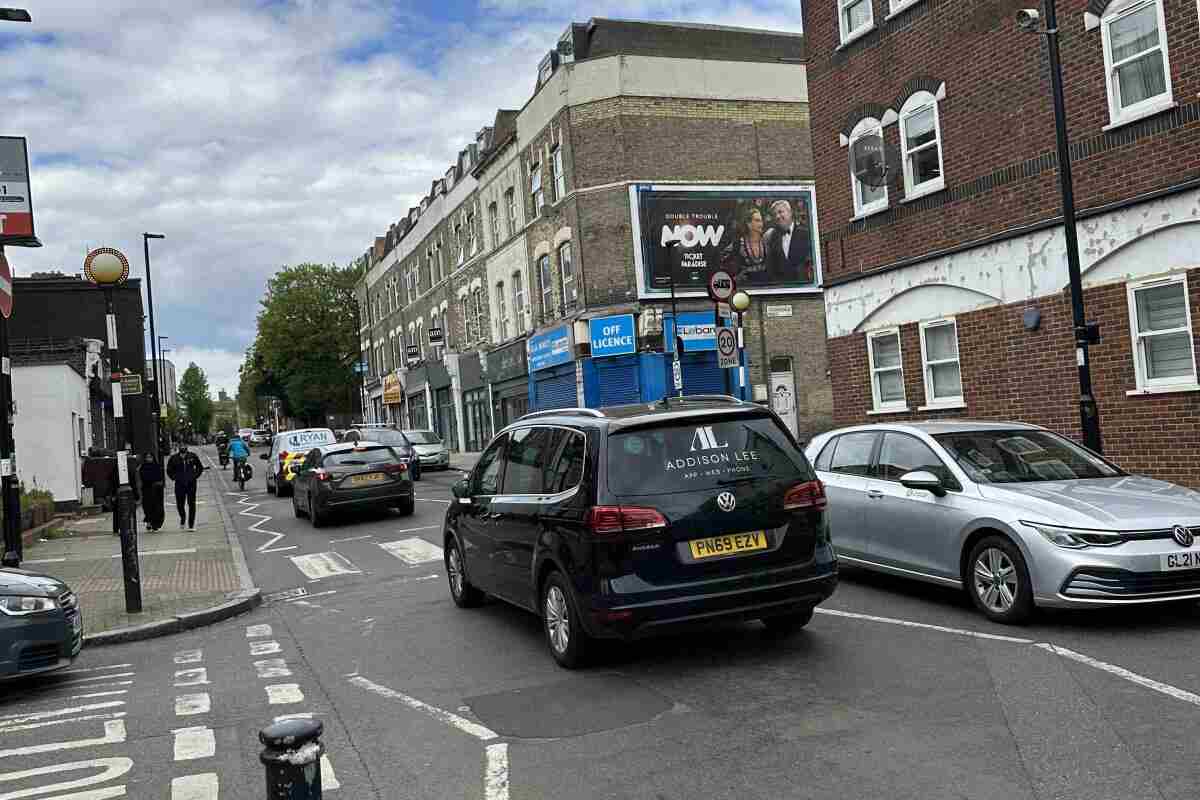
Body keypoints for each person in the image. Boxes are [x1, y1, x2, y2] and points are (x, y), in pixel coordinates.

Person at [762, 199, 814, 285]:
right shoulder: (772, 238)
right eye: (775, 214)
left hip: (803, 287)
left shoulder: (806, 234)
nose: (777, 216)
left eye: (780, 212)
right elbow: (770, 268)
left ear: (790, 212)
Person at [721, 206, 768, 286]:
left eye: (761, 220)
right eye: (757, 220)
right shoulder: (738, 243)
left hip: (765, 288)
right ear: (749, 224)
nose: (761, 223)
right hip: (745, 289)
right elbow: (721, 262)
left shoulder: (767, 241)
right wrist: (735, 279)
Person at [166, 443, 205, 531]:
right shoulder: (174, 458)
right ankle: (183, 518)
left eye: (184, 446)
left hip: (191, 484)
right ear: (178, 447)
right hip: (179, 484)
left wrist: (194, 476)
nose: (182, 447)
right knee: (180, 504)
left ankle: (191, 524)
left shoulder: (192, 456)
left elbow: (199, 467)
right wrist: (175, 478)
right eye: (181, 446)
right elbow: (169, 470)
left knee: (191, 504)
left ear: (187, 447)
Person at [138, 451, 166, 532]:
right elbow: (143, 477)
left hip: (157, 491)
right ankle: (149, 522)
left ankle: (155, 524)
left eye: (150, 457)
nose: (149, 459)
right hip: (147, 490)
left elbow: (160, 477)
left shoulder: (157, 466)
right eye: (147, 457)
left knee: (157, 507)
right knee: (147, 507)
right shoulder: (143, 467)